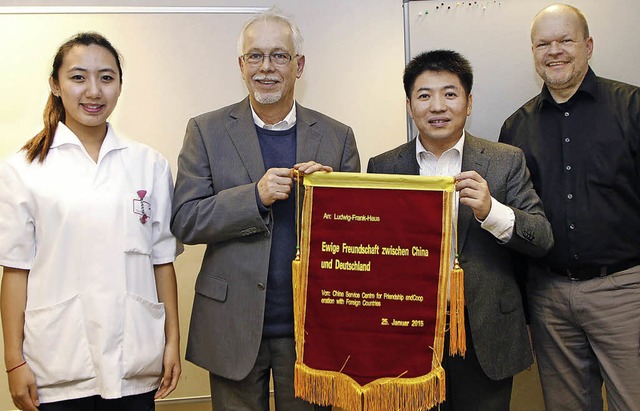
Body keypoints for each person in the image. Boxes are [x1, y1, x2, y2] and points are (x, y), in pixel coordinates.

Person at [170, 9, 360, 411]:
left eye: (279, 56)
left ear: (299, 65)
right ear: (241, 66)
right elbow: (186, 220)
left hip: (311, 326)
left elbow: (354, 239)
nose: (266, 68)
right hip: (231, 323)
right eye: (255, 56)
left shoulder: (337, 137)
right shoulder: (205, 130)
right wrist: (253, 197)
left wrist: (329, 197)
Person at [0, 32, 181, 411]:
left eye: (106, 78)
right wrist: (14, 360)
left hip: (136, 361)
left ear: (119, 86)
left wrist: (171, 344)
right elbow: (15, 271)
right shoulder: (23, 170)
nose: (93, 91)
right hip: (59, 364)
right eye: (78, 77)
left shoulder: (149, 165)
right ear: (55, 85)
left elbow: (162, 262)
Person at [367, 49, 553, 410]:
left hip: (484, 329)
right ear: (410, 106)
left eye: (450, 94)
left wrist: (491, 210)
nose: (437, 106)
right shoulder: (384, 166)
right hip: (409, 331)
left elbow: (541, 237)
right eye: (424, 95)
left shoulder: (505, 160)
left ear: (468, 104)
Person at [499, 4, 640, 410]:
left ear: (588, 45)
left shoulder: (631, 108)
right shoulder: (516, 128)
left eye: (565, 40)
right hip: (549, 298)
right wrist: (525, 309)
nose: (554, 51)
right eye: (543, 43)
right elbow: (517, 223)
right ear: (533, 52)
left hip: (625, 293)